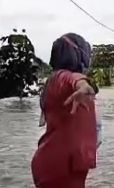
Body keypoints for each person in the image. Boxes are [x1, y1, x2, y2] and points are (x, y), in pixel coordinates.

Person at [32, 33, 97, 188]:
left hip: (64, 164)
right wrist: (83, 86)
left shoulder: (55, 82)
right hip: (59, 166)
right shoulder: (61, 77)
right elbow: (73, 80)